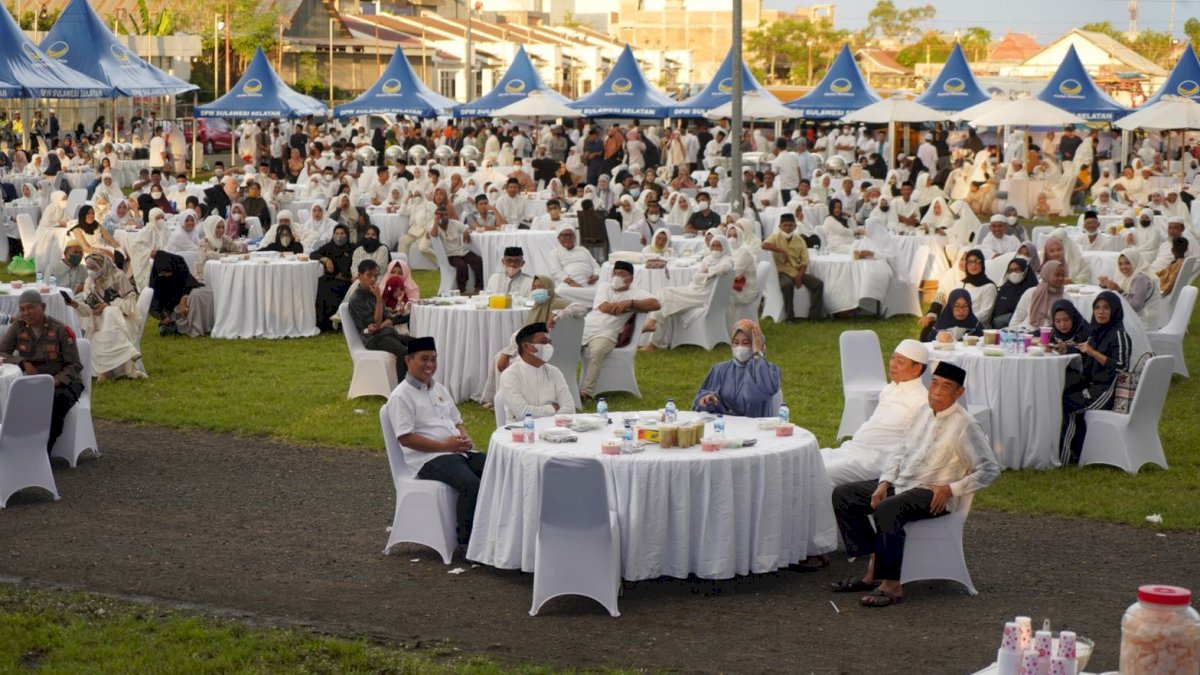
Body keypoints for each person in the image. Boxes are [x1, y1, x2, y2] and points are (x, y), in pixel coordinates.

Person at [831, 361, 999, 607]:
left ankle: (892, 586)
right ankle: (873, 569)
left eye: (946, 387)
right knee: (845, 494)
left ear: (959, 393)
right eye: (935, 384)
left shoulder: (965, 425)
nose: (937, 392)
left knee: (888, 508)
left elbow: (990, 469)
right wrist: (884, 481)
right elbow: (900, 451)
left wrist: (950, 489)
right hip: (903, 485)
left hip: (933, 494)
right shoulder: (922, 411)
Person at [385, 336, 486, 552]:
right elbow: (405, 438)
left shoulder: (438, 388)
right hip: (428, 458)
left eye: (433, 359)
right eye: (423, 359)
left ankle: (491, 533)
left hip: (456, 451)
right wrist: (446, 447)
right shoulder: (401, 396)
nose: (429, 365)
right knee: (471, 485)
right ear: (408, 360)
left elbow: (457, 421)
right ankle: (467, 542)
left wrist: (464, 439)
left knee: (496, 472)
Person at [821, 339, 930, 485]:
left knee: (821, 473)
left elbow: (913, 449)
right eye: (893, 358)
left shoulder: (921, 401)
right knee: (807, 462)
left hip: (875, 461)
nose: (892, 364)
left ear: (917, 369)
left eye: (900, 362)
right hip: (852, 449)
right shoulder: (889, 389)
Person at [0, 290, 85, 452]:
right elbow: (2, 352)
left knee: (54, 402)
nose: (26, 313)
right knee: (12, 401)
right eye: (22, 309)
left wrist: (55, 381)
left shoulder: (60, 329)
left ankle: (43, 452)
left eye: (30, 308)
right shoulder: (18, 327)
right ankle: (15, 449)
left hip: (63, 383)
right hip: (33, 380)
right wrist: (23, 362)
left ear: (43, 306)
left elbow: (74, 364)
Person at [1060, 291, 1132, 465]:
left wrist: (1093, 353)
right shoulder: (1097, 332)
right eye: (1097, 308)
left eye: (1106, 308)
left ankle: (1065, 458)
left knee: (1069, 406)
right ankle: (1077, 451)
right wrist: (1065, 348)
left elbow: (1122, 366)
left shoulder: (1119, 335)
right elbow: (1084, 348)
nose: (1100, 312)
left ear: (1114, 310)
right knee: (1063, 394)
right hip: (1092, 386)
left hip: (1107, 390)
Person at [579, 261, 660, 400]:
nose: (616, 277)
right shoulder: (605, 287)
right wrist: (624, 308)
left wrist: (631, 303)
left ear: (631, 279)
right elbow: (604, 307)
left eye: (621, 274)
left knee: (597, 351)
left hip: (607, 333)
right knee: (564, 349)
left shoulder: (636, 293)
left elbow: (656, 304)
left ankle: (586, 392)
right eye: (615, 273)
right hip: (586, 326)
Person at [643, 235, 735, 350]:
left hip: (703, 296)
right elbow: (695, 277)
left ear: (725, 247)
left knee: (665, 296)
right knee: (663, 294)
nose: (715, 249)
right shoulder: (707, 259)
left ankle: (653, 336)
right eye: (713, 246)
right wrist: (707, 274)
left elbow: (725, 268)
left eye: (718, 246)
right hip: (694, 290)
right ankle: (653, 335)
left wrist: (708, 271)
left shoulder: (727, 259)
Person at [73, 253, 144, 379]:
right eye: (88, 268)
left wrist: (108, 305)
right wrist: (74, 304)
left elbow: (130, 304)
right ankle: (128, 352)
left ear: (102, 266)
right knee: (106, 321)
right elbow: (88, 309)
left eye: (93, 268)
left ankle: (104, 373)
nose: (90, 271)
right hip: (100, 319)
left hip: (123, 317)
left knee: (111, 313)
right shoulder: (90, 282)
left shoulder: (118, 276)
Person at [691, 320, 781, 417]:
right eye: (736, 343)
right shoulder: (720, 369)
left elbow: (753, 396)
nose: (740, 347)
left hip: (754, 426)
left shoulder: (768, 370)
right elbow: (699, 402)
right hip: (725, 426)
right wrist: (709, 400)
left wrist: (757, 354)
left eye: (746, 343)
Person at [347, 259, 413, 382]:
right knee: (403, 352)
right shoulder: (357, 299)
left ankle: (418, 382)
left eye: (375, 276)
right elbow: (374, 324)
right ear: (360, 276)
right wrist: (378, 297)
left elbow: (388, 319)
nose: (373, 279)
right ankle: (401, 389)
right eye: (369, 275)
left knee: (418, 344)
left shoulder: (373, 292)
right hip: (373, 339)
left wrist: (381, 326)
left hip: (386, 333)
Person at [497, 322, 576, 423]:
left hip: (554, 431)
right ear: (526, 346)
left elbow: (570, 409)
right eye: (543, 342)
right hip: (521, 432)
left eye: (550, 342)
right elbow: (522, 414)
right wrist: (552, 408)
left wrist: (546, 420)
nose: (549, 346)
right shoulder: (510, 375)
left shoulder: (554, 372)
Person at [761, 213, 825, 321]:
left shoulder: (800, 240)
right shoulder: (775, 237)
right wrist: (781, 251)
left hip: (796, 271)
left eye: (790, 225)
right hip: (782, 272)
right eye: (785, 225)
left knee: (818, 284)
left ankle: (814, 316)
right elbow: (763, 245)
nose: (787, 228)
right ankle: (790, 317)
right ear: (780, 227)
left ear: (795, 227)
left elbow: (805, 261)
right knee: (787, 285)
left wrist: (800, 276)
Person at [1098, 248, 1168, 330]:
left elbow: (1135, 306)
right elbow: (1122, 286)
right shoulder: (1131, 275)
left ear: (1135, 262)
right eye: (1120, 264)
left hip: (1144, 323)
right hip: (1136, 317)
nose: (1123, 267)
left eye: (1127, 263)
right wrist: (1106, 284)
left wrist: (1118, 290)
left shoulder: (1141, 278)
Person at [149, 251, 213, 337]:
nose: (167, 275)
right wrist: (164, 315)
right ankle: (177, 327)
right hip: (172, 307)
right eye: (163, 274)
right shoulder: (157, 277)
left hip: (186, 295)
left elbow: (188, 282)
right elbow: (156, 300)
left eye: (168, 272)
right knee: (194, 298)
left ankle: (204, 326)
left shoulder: (179, 262)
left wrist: (184, 298)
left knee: (203, 294)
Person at [313, 223, 355, 331]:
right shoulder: (329, 247)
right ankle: (323, 324)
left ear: (347, 235)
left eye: (342, 234)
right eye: (336, 234)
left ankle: (337, 323)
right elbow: (313, 254)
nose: (339, 236)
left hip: (345, 280)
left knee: (333, 288)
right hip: (330, 278)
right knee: (321, 283)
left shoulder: (352, 248)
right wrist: (326, 260)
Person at [433, 207, 483, 294]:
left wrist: (466, 231)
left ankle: (478, 287)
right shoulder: (435, 226)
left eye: (446, 215)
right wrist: (436, 221)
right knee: (462, 266)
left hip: (462, 251)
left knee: (478, 261)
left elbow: (466, 228)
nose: (445, 217)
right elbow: (433, 234)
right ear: (437, 217)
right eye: (442, 215)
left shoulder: (454, 223)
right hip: (451, 255)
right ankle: (462, 290)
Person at [547, 226, 600, 304]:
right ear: (558, 238)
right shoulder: (555, 253)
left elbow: (595, 265)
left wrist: (596, 275)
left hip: (590, 282)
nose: (568, 238)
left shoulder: (583, 249)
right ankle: (594, 300)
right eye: (564, 235)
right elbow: (556, 272)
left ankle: (581, 300)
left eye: (570, 235)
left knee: (605, 288)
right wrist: (572, 283)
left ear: (574, 238)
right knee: (560, 291)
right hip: (570, 284)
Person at [1011, 260, 1068, 329]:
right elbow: (1017, 318)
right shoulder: (1031, 293)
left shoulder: (1065, 297)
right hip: (1027, 333)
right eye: (1057, 275)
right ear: (1047, 275)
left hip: (1050, 336)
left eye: (1063, 275)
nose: (1061, 278)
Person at [194, 216, 247, 282]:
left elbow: (236, 249)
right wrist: (226, 255)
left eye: (223, 227)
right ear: (211, 227)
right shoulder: (204, 242)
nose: (221, 230)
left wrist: (243, 248)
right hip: (205, 277)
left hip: (223, 274)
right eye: (218, 227)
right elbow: (208, 255)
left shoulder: (225, 239)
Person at [991, 257, 1037, 329]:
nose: (1013, 273)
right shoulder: (1004, 289)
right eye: (1010, 270)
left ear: (1025, 270)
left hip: (1023, 330)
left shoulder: (1033, 290)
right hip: (999, 329)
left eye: (1017, 269)